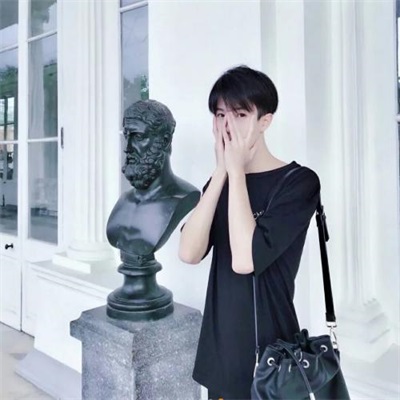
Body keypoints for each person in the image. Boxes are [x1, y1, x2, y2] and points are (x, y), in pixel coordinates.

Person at [179, 65, 321, 400]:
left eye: (240, 114)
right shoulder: (219, 183)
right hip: (221, 354)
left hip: (272, 357)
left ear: (265, 121)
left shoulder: (299, 183)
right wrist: (221, 172)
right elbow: (188, 253)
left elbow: (245, 260)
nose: (227, 125)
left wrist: (236, 173)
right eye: (220, 115)